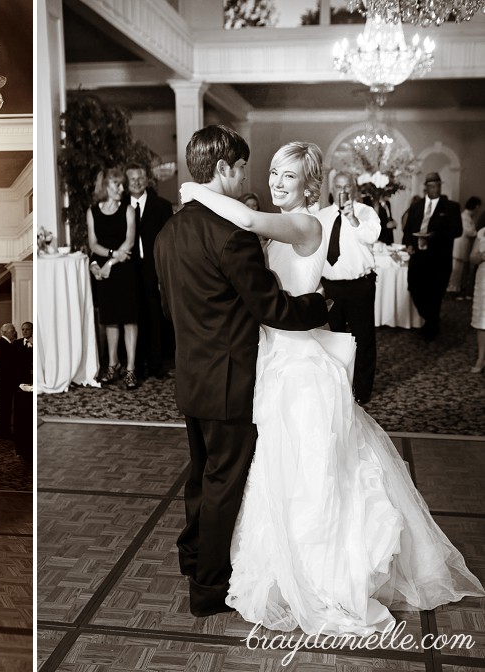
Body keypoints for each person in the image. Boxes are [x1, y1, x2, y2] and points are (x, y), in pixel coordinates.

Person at [180, 139, 484, 635]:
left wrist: (194, 189)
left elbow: (251, 222)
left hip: (300, 370)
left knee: (310, 473)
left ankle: (318, 576)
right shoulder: (281, 230)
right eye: (274, 172)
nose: (277, 182)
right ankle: (278, 566)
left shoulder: (305, 223)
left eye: (289, 177)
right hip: (272, 360)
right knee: (275, 469)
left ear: (309, 185)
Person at [154, 126, 330, 618]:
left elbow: (168, 309)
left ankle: (192, 557)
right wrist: (320, 307)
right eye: (245, 169)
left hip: (190, 375)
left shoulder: (167, 232)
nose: (247, 178)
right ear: (226, 169)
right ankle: (208, 588)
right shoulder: (233, 235)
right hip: (232, 380)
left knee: (200, 476)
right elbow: (272, 307)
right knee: (223, 483)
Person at [319, 172, 381, 405]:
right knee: (331, 339)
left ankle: (362, 392)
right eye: (339, 185)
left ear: (354, 189)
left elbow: (373, 235)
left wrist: (354, 219)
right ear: (333, 188)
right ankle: (337, 386)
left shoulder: (366, 212)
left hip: (359, 286)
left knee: (363, 339)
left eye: (347, 186)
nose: (343, 189)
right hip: (330, 286)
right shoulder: (322, 216)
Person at [87, 167, 139, 390]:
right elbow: (93, 244)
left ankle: (130, 369)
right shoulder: (92, 211)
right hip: (105, 271)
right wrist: (109, 256)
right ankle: (113, 364)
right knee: (110, 320)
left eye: (121, 185)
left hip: (125, 271)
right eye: (116, 185)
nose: (121, 188)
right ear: (105, 187)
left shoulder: (128, 209)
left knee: (129, 319)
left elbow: (129, 242)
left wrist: (110, 263)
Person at [126, 163, 174, 379]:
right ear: (126, 182)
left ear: (147, 180)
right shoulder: (120, 207)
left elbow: (168, 242)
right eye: (132, 178)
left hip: (153, 267)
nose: (136, 182)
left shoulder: (162, 206)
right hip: (127, 268)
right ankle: (135, 365)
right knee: (133, 315)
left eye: (140, 177)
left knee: (155, 315)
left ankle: (156, 364)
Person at [403, 173, 463, 340]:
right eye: (432, 185)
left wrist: (434, 235)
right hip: (418, 257)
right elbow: (407, 230)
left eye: (438, 185)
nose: (435, 188)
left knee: (435, 294)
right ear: (426, 187)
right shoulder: (416, 206)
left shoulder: (451, 207)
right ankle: (431, 319)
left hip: (439, 259)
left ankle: (431, 326)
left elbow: (457, 231)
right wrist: (408, 244)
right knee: (414, 288)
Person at [448, 196, 481, 296]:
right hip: (460, 247)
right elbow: (469, 231)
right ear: (475, 207)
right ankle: (453, 290)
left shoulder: (468, 217)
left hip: (464, 247)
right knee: (456, 271)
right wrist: (477, 233)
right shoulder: (464, 217)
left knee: (461, 271)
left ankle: (457, 289)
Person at [13, 321, 34, 462]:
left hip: (34, 384)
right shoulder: (17, 344)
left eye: (27, 329)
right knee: (20, 419)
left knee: (30, 418)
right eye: (23, 329)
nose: (25, 331)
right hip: (21, 386)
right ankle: (20, 449)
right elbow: (13, 364)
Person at [0, 322, 18, 438]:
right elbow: (5, 366)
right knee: (4, 407)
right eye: (12, 330)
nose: (14, 332)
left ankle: (3, 430)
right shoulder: (2, 344)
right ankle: (2, 431)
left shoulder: (7, 344)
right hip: (5, 382)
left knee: (6, 406)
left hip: (6, 381)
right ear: (5, 332)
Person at [470, 227, 485, 373]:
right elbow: (472, 258)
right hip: (483, 279)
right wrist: (480, 256)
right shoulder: (482, 232)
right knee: (482, 319)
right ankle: (481, 358)